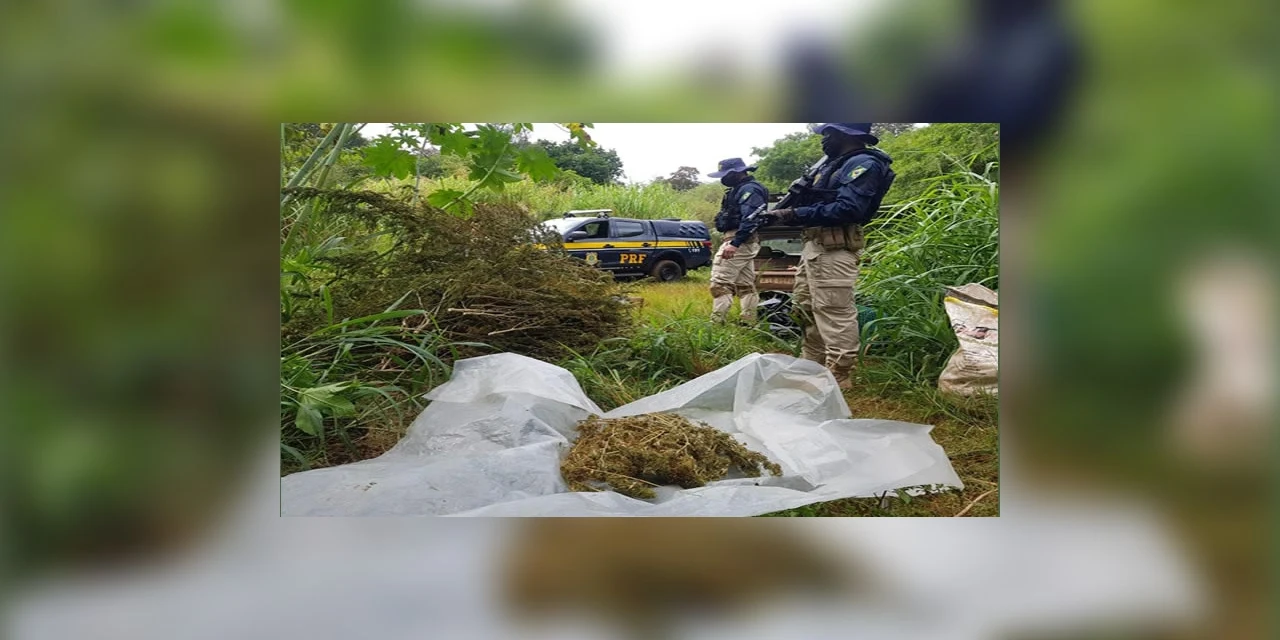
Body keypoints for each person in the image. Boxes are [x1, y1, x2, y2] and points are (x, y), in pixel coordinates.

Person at [767, 123, 894, 389]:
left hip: (835, 249)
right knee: (806, 308)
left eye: (828, 134)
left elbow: (849, 209)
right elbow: (821, 204)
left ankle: (839, 375)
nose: (823, 140)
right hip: (814, 247)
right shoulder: (833, 166)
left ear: (844, 134)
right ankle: (811, 366)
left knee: (834, 311)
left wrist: (795, 214)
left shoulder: (863, 163)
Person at [706, 157, 769, 325]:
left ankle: (716, 325)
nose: (723, 179)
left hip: (739, 240)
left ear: (736, 172)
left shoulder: (749, 190)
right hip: (742, 241)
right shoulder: (740, 189)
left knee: (719, 284)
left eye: (725, 174)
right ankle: (748, 323)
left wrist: (735, 243)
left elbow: (752, 218)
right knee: (745, 285)